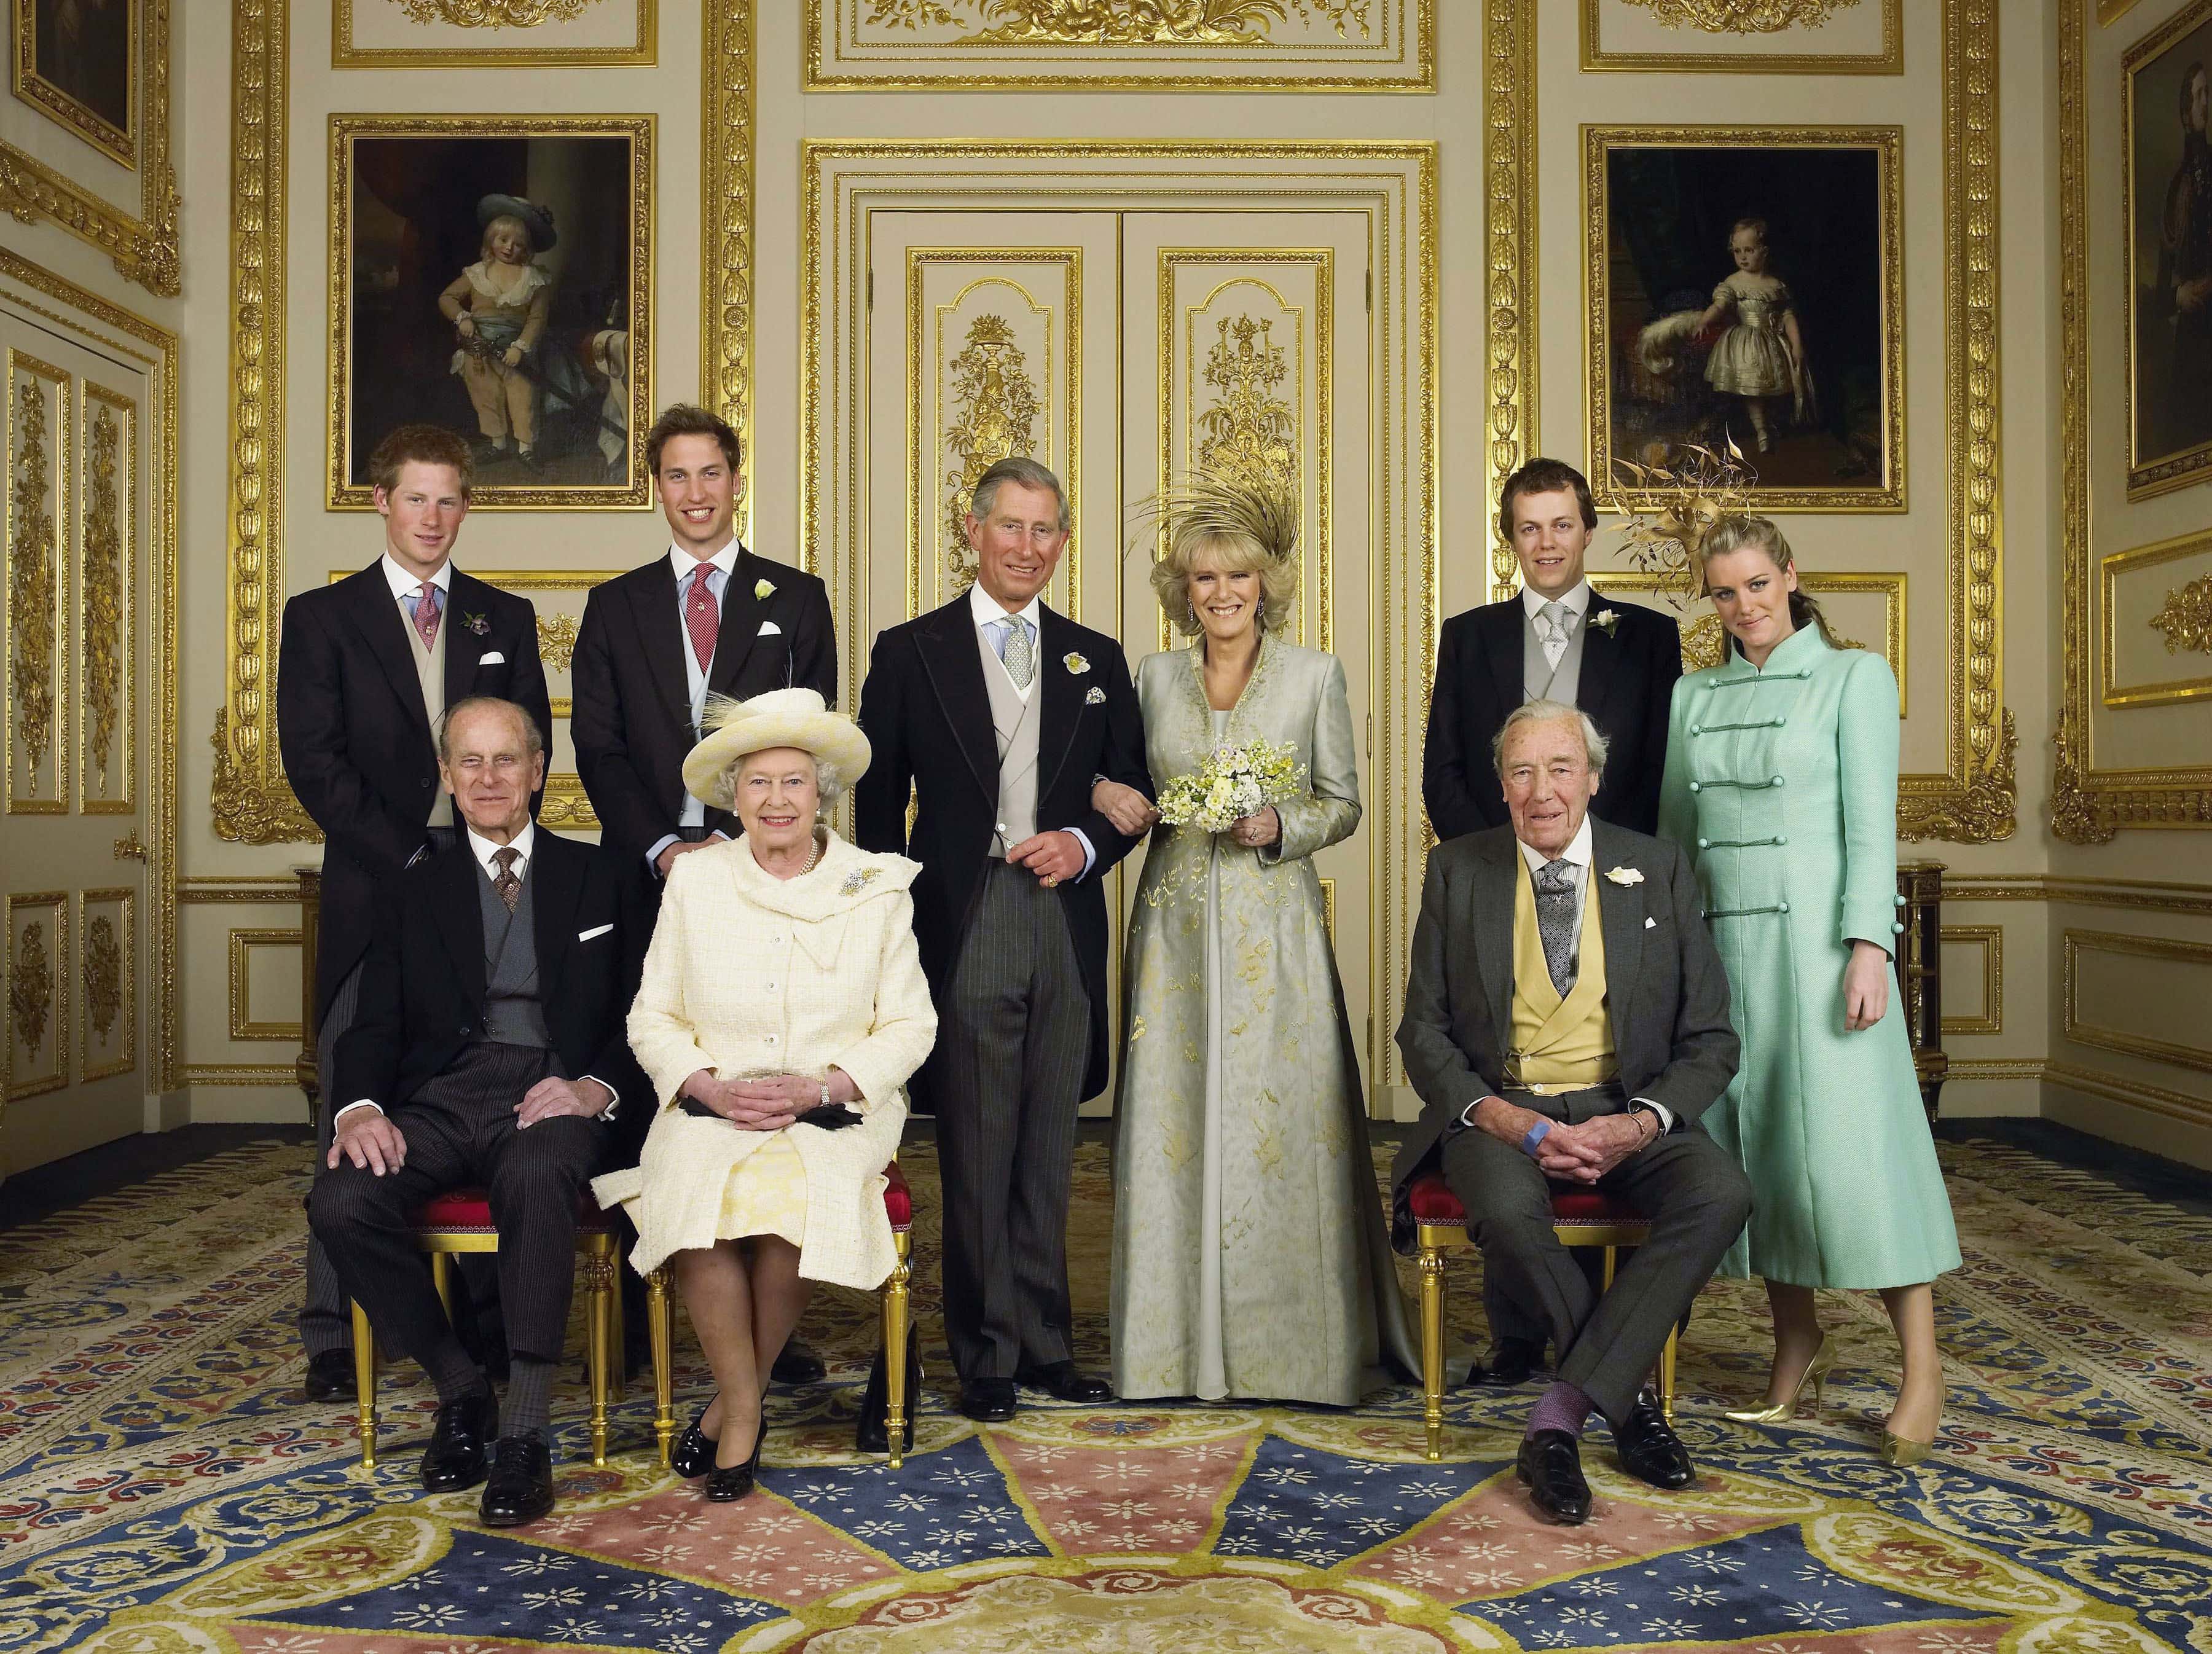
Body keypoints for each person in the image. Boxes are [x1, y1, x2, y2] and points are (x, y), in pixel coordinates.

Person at [1394, 700, 1749, 1526]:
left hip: (1626, 1111)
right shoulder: (1458, 868)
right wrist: (1503, 1118)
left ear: (1592, 778)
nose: (1541, 791)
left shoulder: (1654, 867)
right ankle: (1628, 1409)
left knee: (1722, 1192)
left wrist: (1635, 1125)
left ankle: (1556, 1419)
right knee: (1511, 1214)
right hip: (1502, 1118)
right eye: (1522, 771)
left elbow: (1711, 1038)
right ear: (1502, 785)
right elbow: (1424, 1031)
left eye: (1560, 769)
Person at [1105, 476, 1416, 1405]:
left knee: (1283, 1122)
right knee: (1173, 1123)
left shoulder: (1316, 675)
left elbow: (1344, 801)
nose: (1222, 592)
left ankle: (1296, 1355)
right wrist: (1105, 796)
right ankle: (1167, 1354)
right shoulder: (1152, 678)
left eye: (1237, 575)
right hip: (1173, 933)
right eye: (1204, 578)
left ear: (1265, 582)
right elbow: (1120, 781)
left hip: (1274, 930)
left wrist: (1282, 826)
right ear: (1183, 590)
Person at [853, 456, 1152, 1424]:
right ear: (973, 532)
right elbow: (872, 807)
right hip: (965, 911)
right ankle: (984, 1352)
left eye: (1045, 532)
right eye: (1010, 528)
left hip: (1060, 917)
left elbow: (1131, 792)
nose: (1028, 548)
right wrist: (890, 925)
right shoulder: (910, 651)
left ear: (1062, 543)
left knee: (1050, 1145)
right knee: (979, 1146)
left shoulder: (1095, 658)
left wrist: (1086, 840)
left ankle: (1046, 1344)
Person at [307, 697, 652, 1527]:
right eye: (470, 762)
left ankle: (526, 1430)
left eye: (506, 761)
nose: (489, 778)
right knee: (342, 1201)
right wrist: (357, 1111)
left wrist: (593, 1089)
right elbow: (371, 1025)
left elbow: (647, 1013)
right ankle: (461, 1388)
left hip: (552, 1090)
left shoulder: (603, 876)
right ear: (448, 779)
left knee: (539, 1171)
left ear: (539, 773)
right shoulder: (412, 885)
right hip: (441, 1096)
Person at [1658, 515, 1959, 1465]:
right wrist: (1668, 962)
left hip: (1827, 955)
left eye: (1756, 583)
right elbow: (1673, 839)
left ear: (1790, 576)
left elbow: (1873, 826)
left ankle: (1923, 1369)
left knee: (1860, 1159)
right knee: (1759, 1152)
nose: (1743, 606)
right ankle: (1796, 1337)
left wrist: (1871, 946)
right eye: (1723, 591)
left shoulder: (1854, 678)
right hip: (1724, 957)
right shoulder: (1690, 696)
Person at [595, 689, 936, 1499]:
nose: (777, 800)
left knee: (788, 1206)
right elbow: (655, 1017)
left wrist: (825, 1084)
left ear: (821, 792)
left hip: (834, 1103)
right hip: (717, 1098)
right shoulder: (696, 883)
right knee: (701, 1207)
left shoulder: (876, 885)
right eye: (759, 784)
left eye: (793, 782)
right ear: (733, 795)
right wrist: (705, 1087)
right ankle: (743, 1405)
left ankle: (729, 1416)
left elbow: (910, 1027)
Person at [276, 424, 552, 1403]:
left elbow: (528, 745)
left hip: (484, 883)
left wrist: (480, 859)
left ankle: (479, 1322)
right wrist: (409, 861)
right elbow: (314, 761)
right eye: (415, 499)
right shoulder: (323, 618)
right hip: (376, 887)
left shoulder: (501, 617)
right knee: (355, 1104)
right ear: (381, 505)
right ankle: (330, 1328)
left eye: (449, 501)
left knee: (473, 1089)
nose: (432, 518)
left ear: (465, 509)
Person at [569, 403, 837, 1385]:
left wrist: (732, 853)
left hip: (763, 883)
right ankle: (655, 1318)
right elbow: (595, 744)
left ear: (736, 479)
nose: (695, 492)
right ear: (658, 488)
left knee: (764, 1067)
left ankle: (777, 1320)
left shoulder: (795, 599)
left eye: (711, 473)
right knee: (658, 1075)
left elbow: (807, 744)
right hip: (647, 879)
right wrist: (658, 848)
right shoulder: (616, 604)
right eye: (676, 476)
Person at [1421, 455, 1681, 1386]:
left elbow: (1650, 775)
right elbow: (1443, 768)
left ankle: (1600, 1327)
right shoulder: (1472, 635)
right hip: (1500, 882)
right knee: (1505, 1081)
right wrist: (1505, 868)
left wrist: (1595, 865)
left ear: (1586, 530)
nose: (1545, 543)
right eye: (1527, 528)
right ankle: (1521, 1339)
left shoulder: (1649, 638)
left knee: (1600, 1087)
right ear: (1510, 537)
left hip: (1608, 880)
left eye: (1561, 525)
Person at [438, 195, 555, 473]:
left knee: (523, 396)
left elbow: (537, 318)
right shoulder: (478, 273)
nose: (509, 248)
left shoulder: (534, 278)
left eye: (517, 244)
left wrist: (521, 347)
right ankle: (498, 443)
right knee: (486, 395)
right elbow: (447, 298)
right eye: (503, 240)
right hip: (479, 350)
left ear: (526, 248)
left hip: (516, 352)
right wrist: (462, 318)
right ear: (491, 240)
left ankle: (526, 449)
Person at [1690, 217, 1812, 456]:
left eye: (1749, 250)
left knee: (1774, 390)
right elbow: (1721, 305)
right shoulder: (1734, 283)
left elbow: (1788, 316)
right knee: (1753, 390)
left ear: (1764, 252)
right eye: (1737, 251)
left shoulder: (1776, 285)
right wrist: (1705, 320)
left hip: (1773, 343)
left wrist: (1796, 345)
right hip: (1745, 344)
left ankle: (1771, 425)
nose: (1743, 257)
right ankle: (1761, 431)